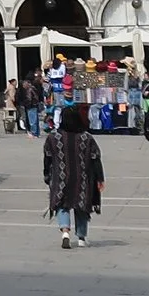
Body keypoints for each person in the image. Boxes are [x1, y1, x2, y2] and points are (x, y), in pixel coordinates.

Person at [45, 102, 105, 248]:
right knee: (82, 206)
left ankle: (65, 231)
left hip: (60, 177)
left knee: (62, 204)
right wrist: (100, 178)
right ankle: (81, 238)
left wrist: (47, 174)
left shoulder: (53, 138)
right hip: (82, 179)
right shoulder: (86, 138)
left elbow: (47, 157)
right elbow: (95, 158)